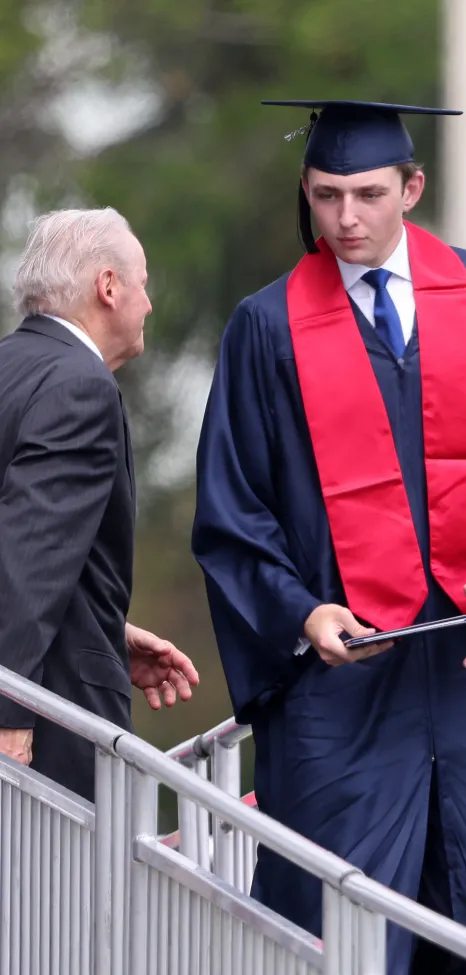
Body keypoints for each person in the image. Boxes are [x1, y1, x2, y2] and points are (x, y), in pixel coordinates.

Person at [192, 100, 466, 974]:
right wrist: (300, 615)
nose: (346, 218)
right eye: (327, 194)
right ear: (305, 191)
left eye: (369, 193)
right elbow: (233, 514)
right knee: (333, 929)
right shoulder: (266, 330)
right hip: (339, 689)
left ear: (412, 188)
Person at [0, 207, 199, 803]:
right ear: (108, 287)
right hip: (44, 726)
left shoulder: (10, 366)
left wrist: (104, 630)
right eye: (142, 282)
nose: (149, 302)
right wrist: (11, 709)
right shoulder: (80, 385)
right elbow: (28, 556)